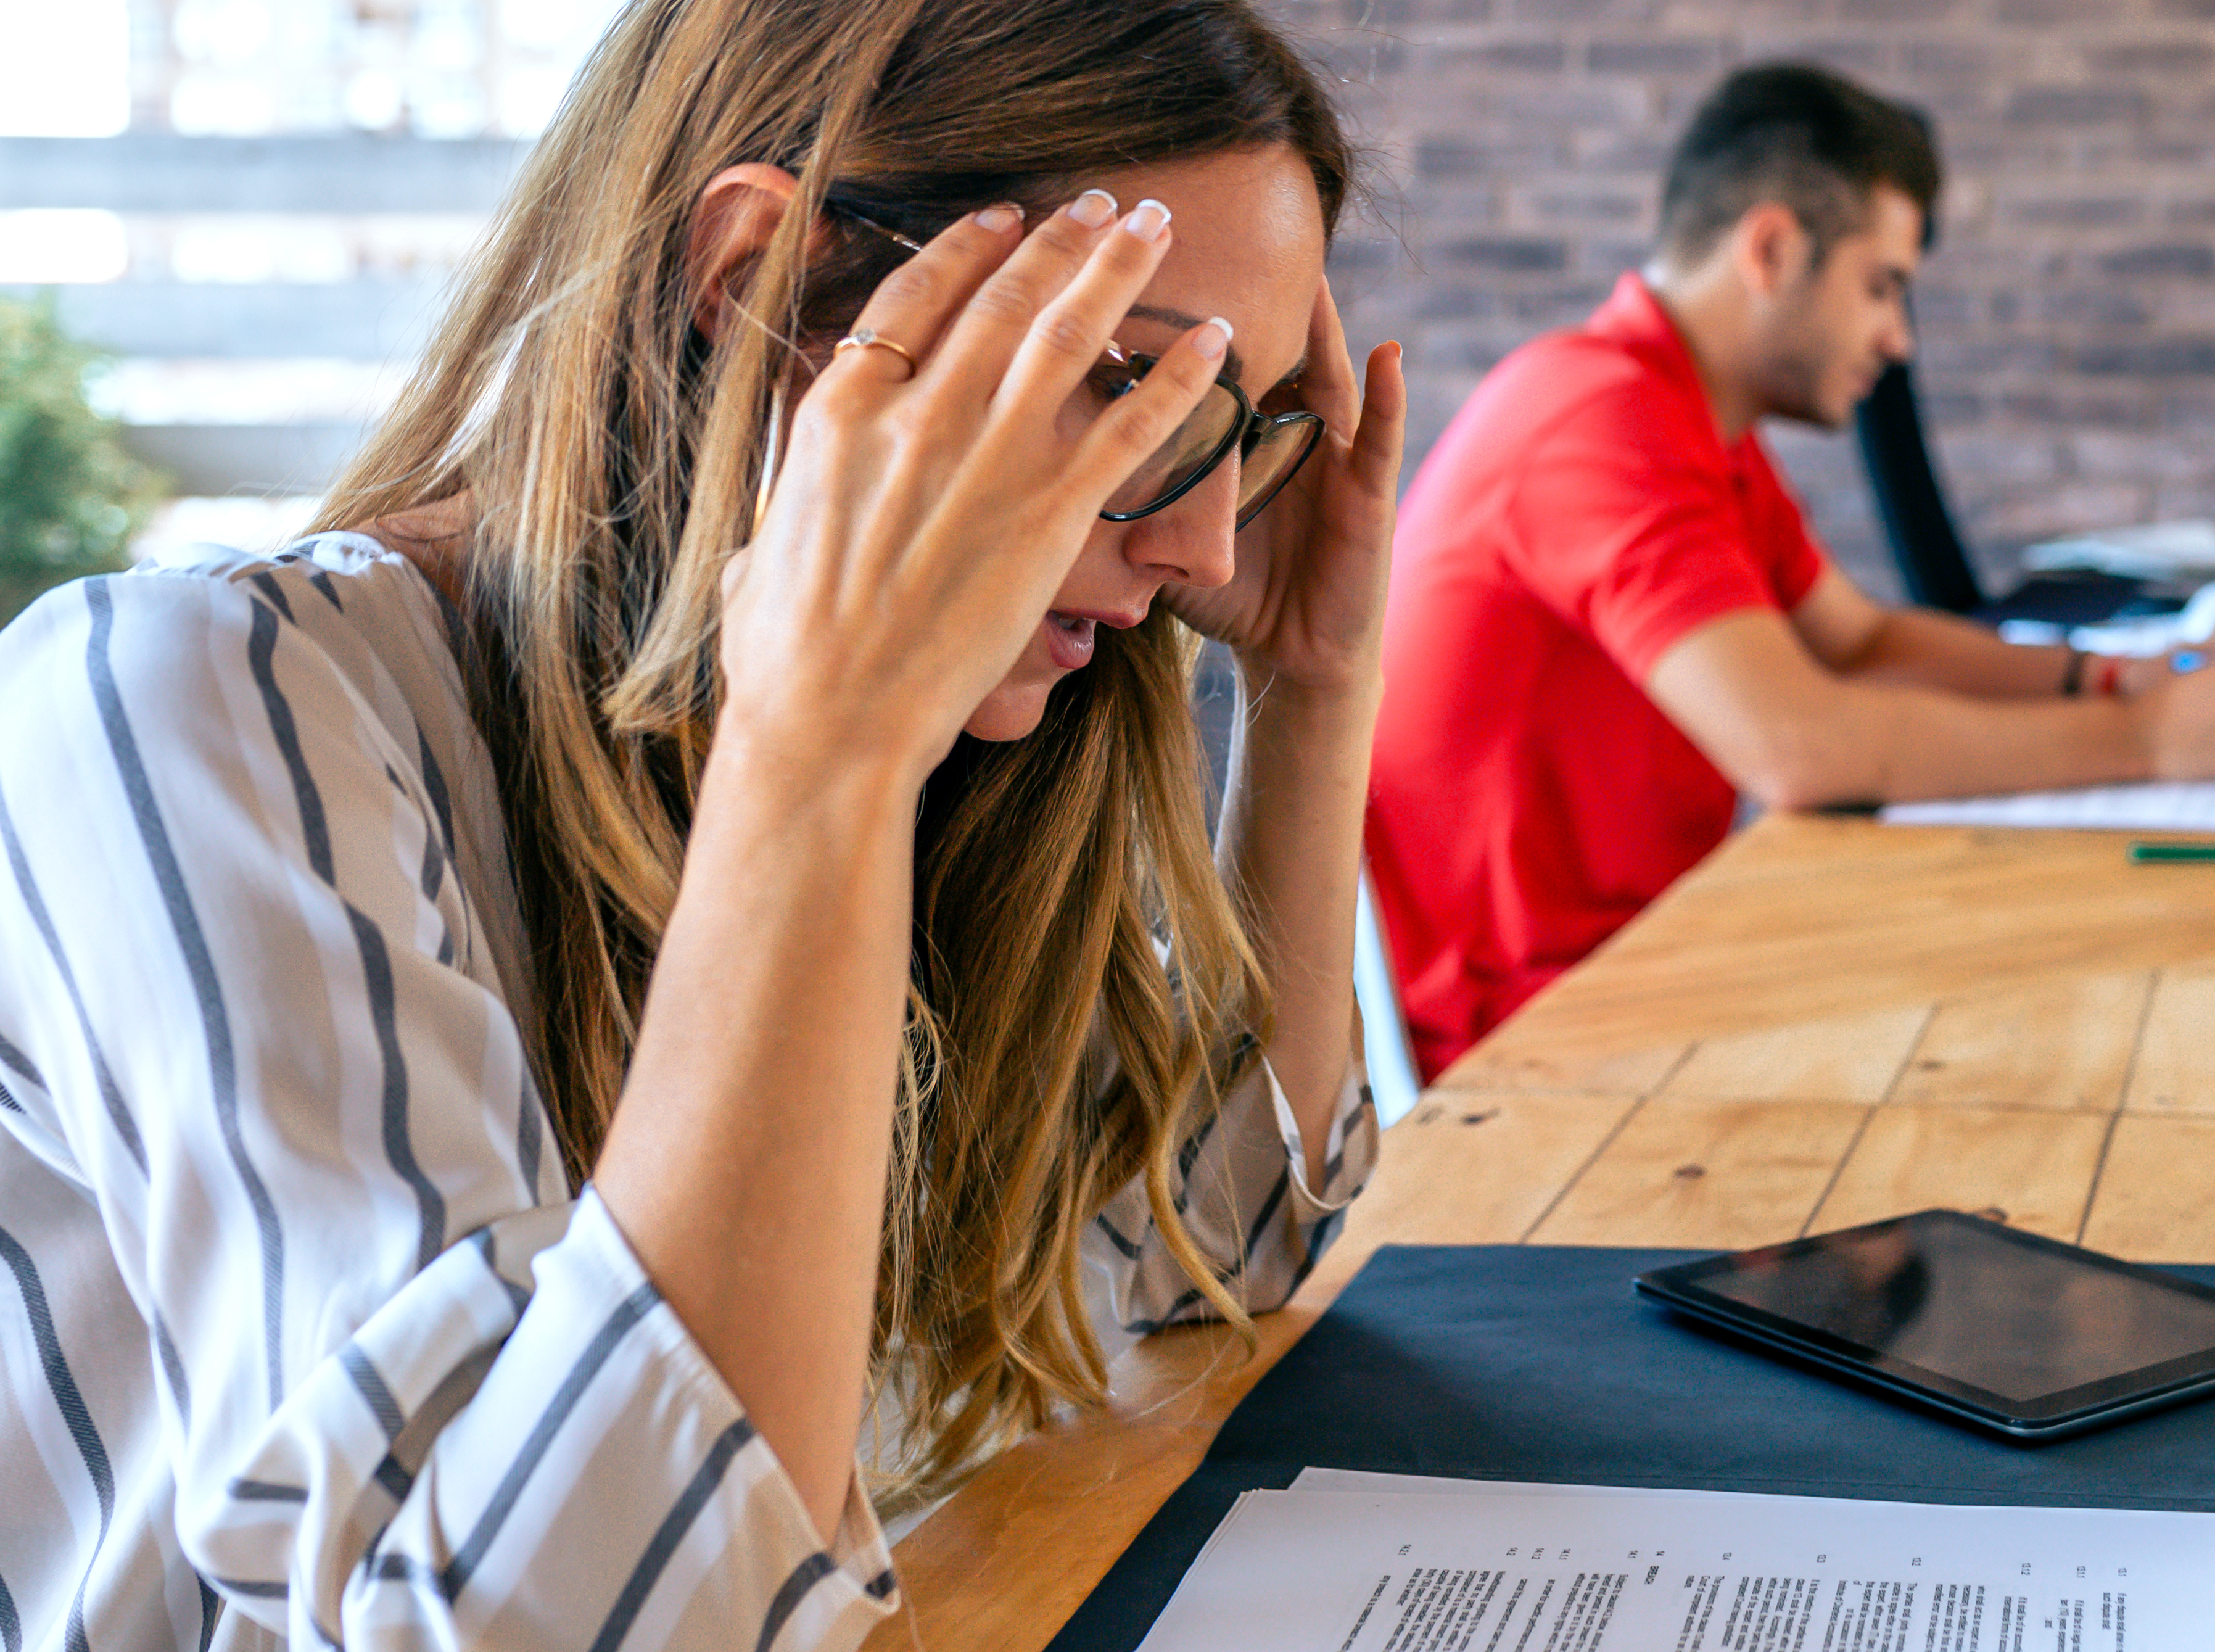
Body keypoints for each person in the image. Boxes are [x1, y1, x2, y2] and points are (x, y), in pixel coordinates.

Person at [0, 0, 1403, 1645]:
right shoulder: (187, 700)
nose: (1205, 552)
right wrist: (822, 756)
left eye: (1234, 426)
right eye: (1125, 391)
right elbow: (566, 1620)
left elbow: (1203, 1260)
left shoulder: (969, 759)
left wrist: (1314, 693)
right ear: (756, 288)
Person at [1367, 62, 2215, 1077]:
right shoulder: (1597, 422)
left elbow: (1860, 641)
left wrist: (2115, 678)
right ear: (1771, 249)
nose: (1895, 338)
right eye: (1882, 286)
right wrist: (2147, 741)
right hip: (1528, 1045)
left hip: (1638, 972)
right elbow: (1798, 749)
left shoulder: (1683, 416)